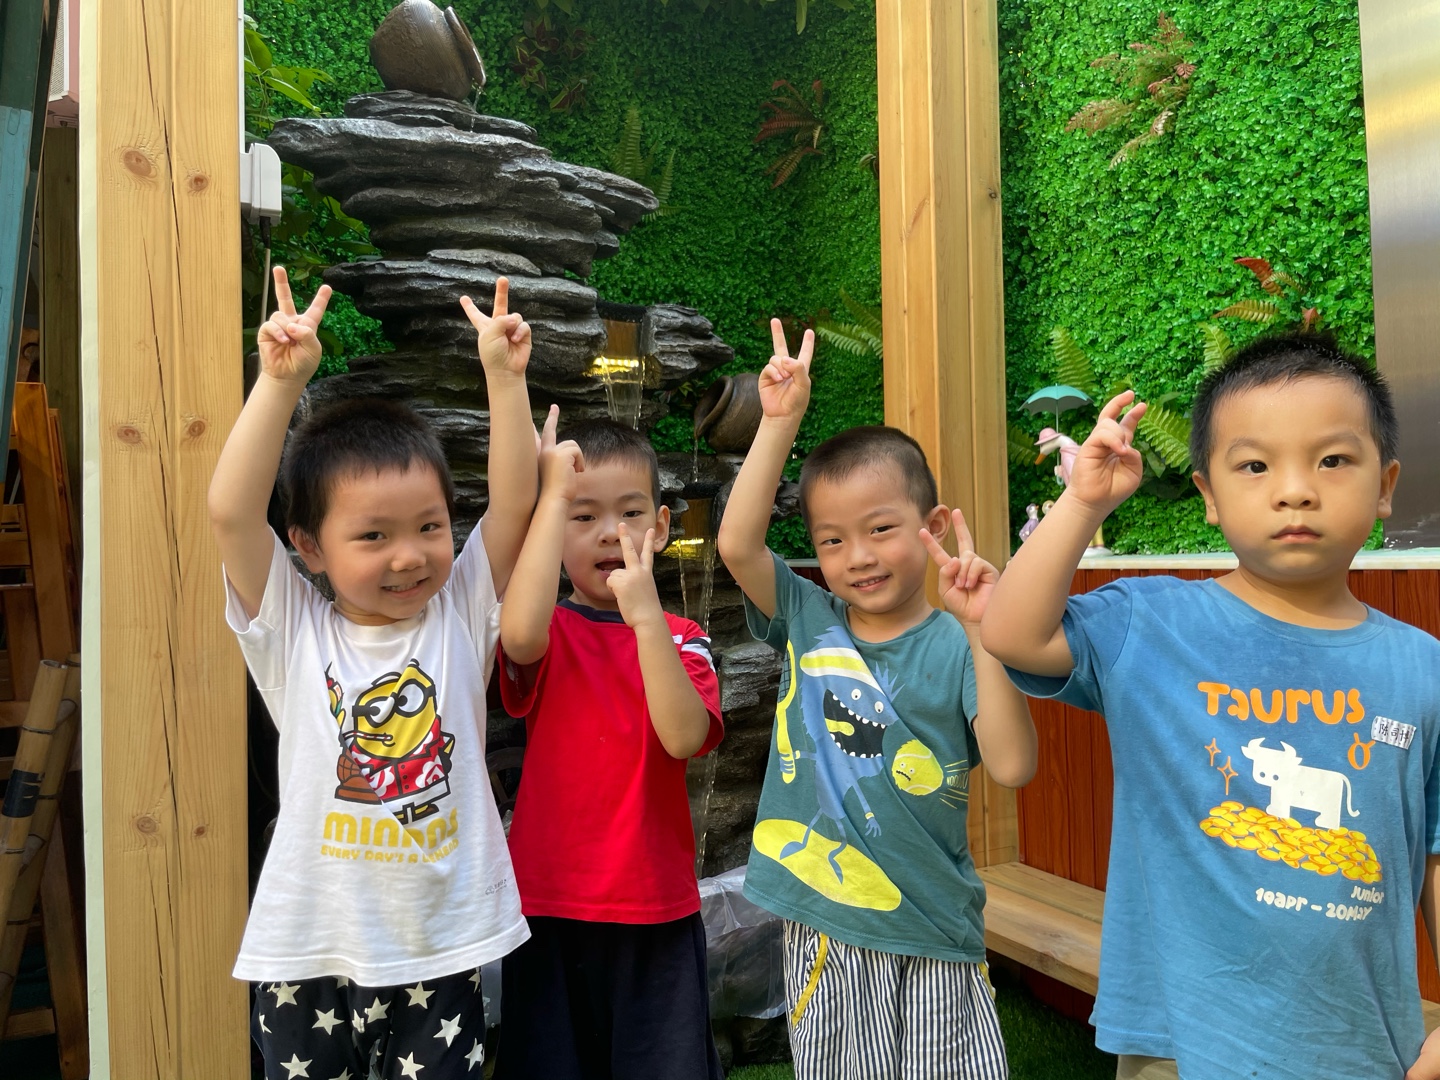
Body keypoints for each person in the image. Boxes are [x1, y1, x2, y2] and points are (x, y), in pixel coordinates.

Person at [981, 331, 1440, 1080]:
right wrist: (1083, 502)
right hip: (1179, 1044)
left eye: (1333, 460)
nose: (1295, 490)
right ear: (1209, 498)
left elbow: (1435, 853)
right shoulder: (1151, 624)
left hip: (1361, 1046)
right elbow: (1012, 634)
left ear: (1385, 485)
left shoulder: (1423, 667)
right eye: (1255, 466)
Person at [209, 267, 538, 1079]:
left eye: (430, 527)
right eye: (373, 536)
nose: (409, 556)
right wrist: (278, 385)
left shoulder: (459, 615)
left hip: (441, 949)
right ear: (309, 548)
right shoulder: (294, 633)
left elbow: (513, 505)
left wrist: (505, 380)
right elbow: (231, 512)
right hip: (306, 953)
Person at [715, 322, 1037, 1080]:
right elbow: (736, 546)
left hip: (933, 924)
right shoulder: (807, 616)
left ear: (931, 528)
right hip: (826, 922)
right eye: (831, 541)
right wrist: (778, 423)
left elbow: (1013, 765)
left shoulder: (959, 642)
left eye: (881, 529)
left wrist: (983, 632)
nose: (857, 556)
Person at [494, 414, 725, 1080]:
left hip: (654, 905)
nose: (607, 531)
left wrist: (645, 617)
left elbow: (683, 736)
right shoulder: (546, 628)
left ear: (660, 527)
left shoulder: (681, 636)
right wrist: (549, 499)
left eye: (629, 512)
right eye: (582, 514)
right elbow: (517, 641)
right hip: (547, 904)